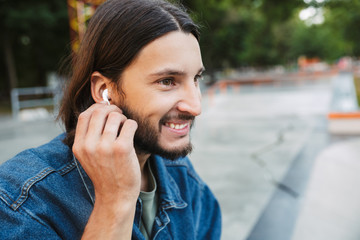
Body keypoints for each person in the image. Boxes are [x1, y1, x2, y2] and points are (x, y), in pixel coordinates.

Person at [0, 0, 221, 239]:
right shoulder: (20, 201)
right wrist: (115, 201)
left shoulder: (182, 176)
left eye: (196, 78)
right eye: (167, 81)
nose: (195, 106)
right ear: (105, 90)